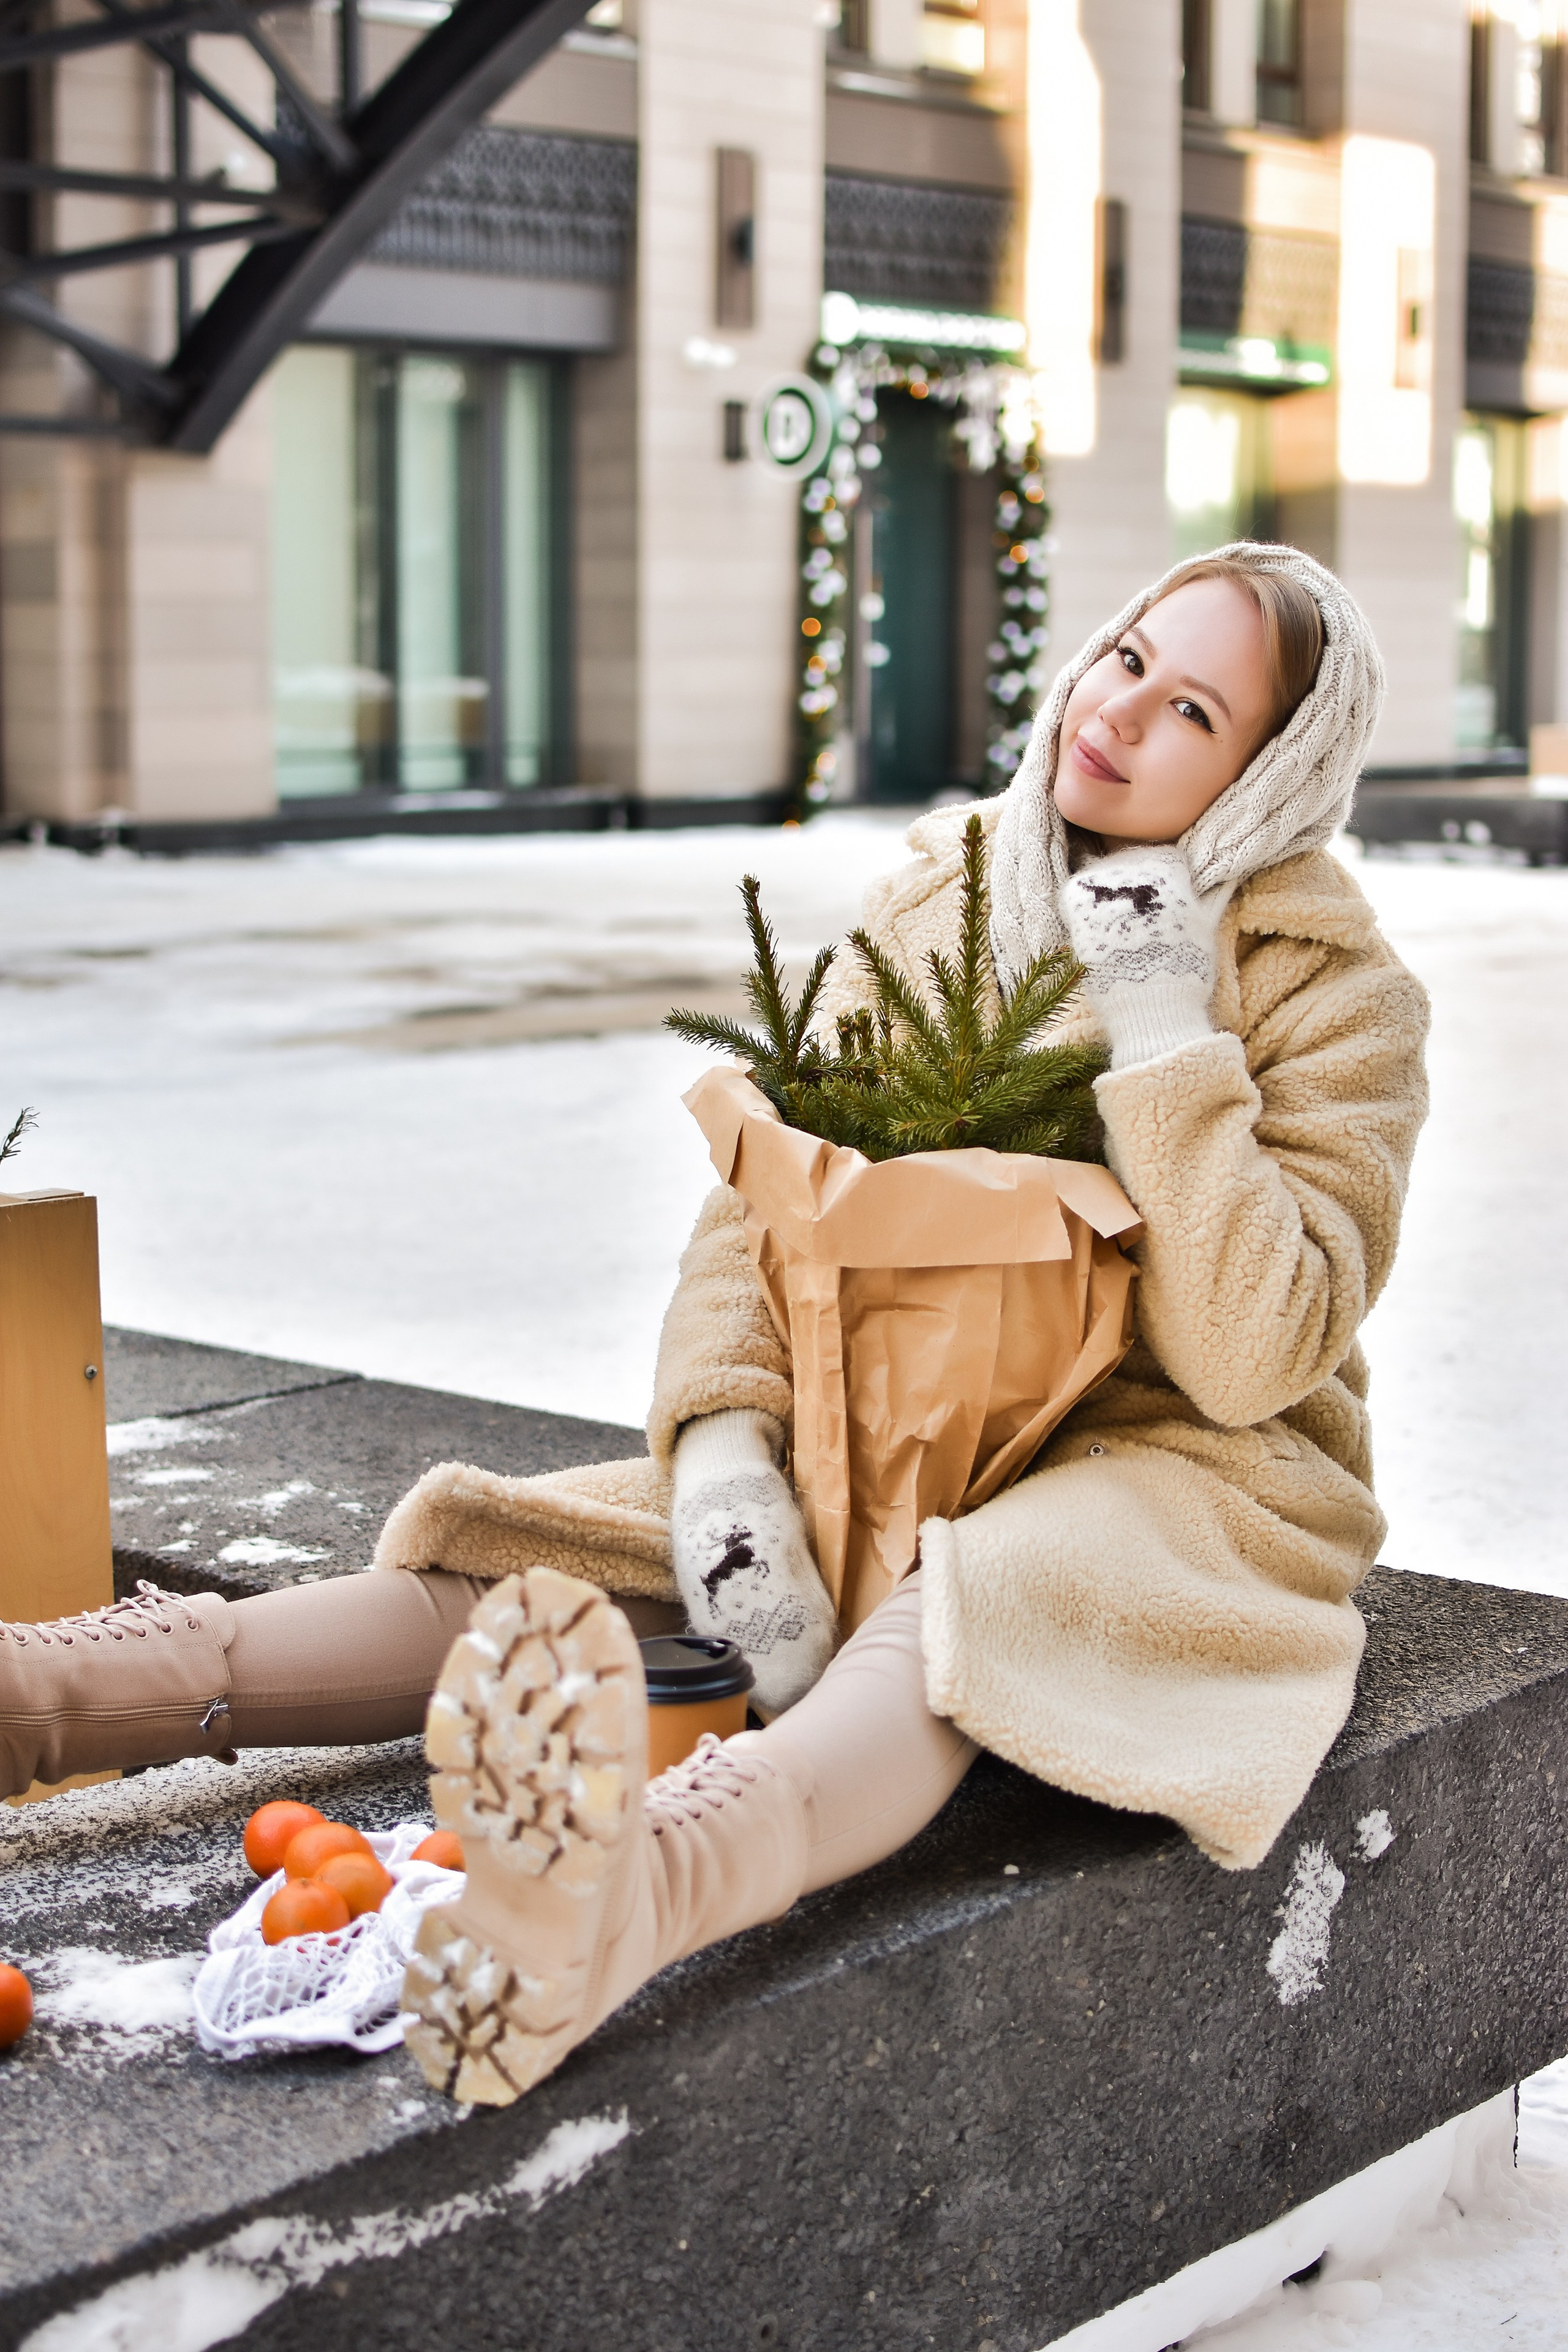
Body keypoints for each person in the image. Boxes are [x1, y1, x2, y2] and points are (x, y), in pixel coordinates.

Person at [0, 543, 1429, 2117]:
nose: (1117, 713)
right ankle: (35, 1699)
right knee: (545, 1567)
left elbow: (1250, 1347)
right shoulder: (949, 892)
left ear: (1269, 775)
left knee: (969, 1600)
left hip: (1164, 1468)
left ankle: (626, 1906)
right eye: (1125, 657)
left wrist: (1164, 1021)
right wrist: (731, 1452)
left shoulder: (1332, 991)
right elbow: (767, 1206)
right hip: (875, 1414)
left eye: (1191, 710)